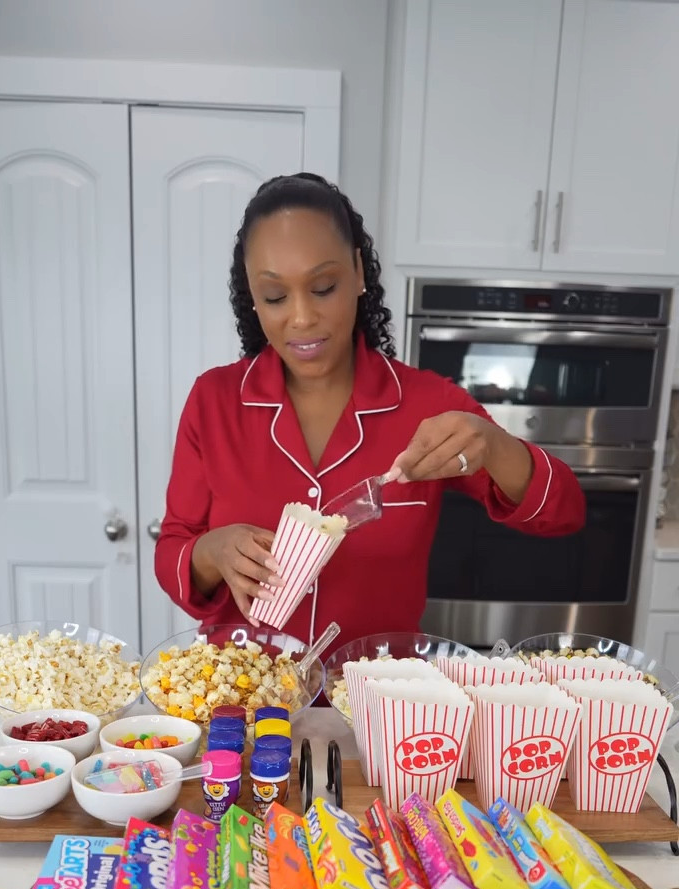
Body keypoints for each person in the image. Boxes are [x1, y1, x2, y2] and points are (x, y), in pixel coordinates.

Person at [156, 173, 585, 647]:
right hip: (239, 700)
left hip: (374, 703)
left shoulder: (428, 404)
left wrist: (497, 446)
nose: (301, 317)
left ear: (358, 273)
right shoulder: (214, 400)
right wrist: (211, 552)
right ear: (253, 298)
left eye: (323, 287)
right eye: (276, 296)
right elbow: (174, 547)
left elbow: (564, 512)